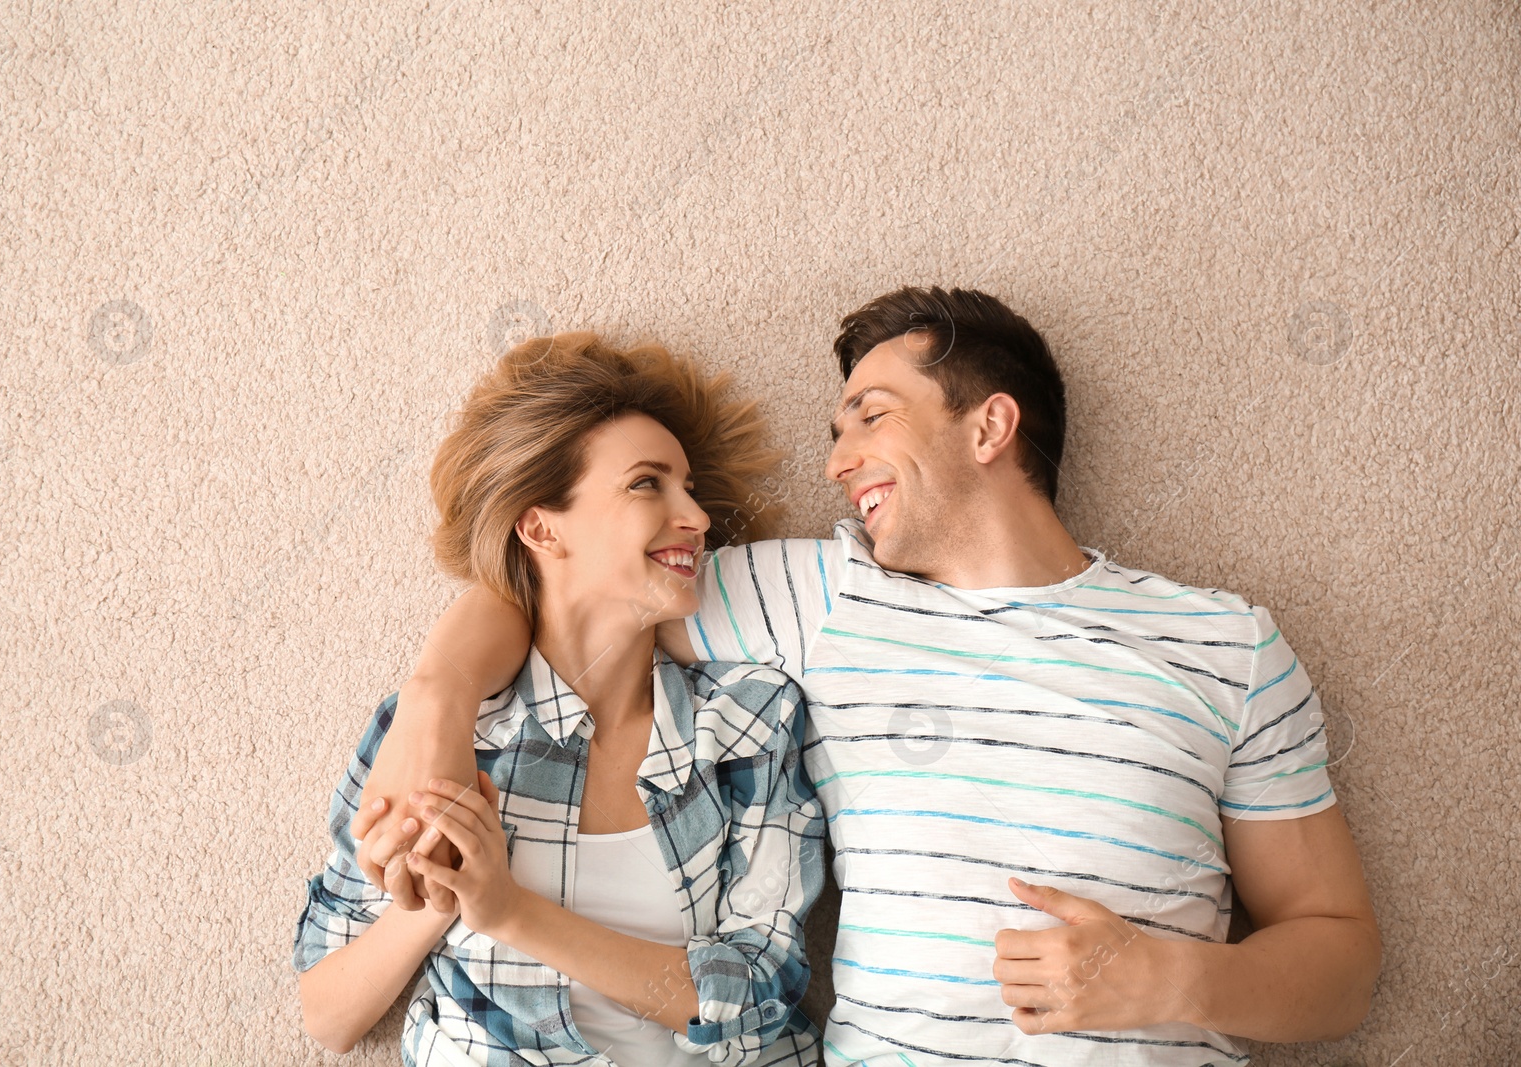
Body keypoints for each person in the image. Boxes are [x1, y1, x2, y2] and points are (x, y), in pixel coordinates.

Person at [352, 288, 1382, 1066]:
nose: (839, 461)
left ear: (989, 426)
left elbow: (1339, 961)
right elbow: (573, 579)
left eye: (870, 416)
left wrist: (1177, 973)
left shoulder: (1224, 645)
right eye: (835, 432)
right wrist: (437, 700)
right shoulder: (822, 596)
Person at [291, 333, 826, 1065]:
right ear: (541, 526)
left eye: (690, 488)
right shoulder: (433, 730)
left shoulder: (747, 716)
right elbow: (327, 1014)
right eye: (648, 483)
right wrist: (438, 902)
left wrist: (511, 911)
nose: (697, 517)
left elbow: (762, 994)